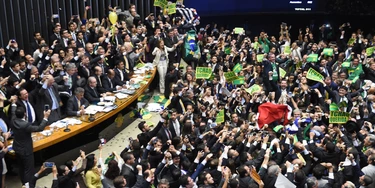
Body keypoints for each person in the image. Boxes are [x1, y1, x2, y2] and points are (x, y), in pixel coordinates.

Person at [10, 96, 51, 185]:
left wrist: (13, 103)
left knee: (21, 168)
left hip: (17, 148)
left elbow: (13, 111)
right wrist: (45, 117)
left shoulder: (13, 120)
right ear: (25, 114)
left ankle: (24, 184)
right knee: (29, 170)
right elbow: (40, 128)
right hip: (26, 150)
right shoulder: (26, 125)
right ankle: (29, 185)